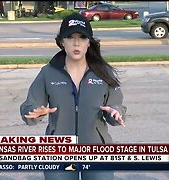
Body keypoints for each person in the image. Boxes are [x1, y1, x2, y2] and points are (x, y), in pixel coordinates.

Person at [20, 13, 127, 180]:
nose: (76, 42)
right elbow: (29, 108)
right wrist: (33, 112)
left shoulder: (104, 73)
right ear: (62, 42)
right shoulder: (48, 73)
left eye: (82, 37)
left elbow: (117, 107)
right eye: (70, 37)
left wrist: (115, 112)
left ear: (88, 42)